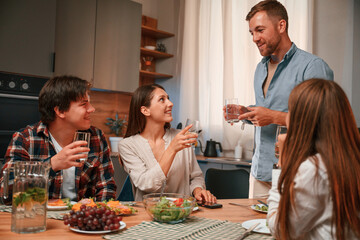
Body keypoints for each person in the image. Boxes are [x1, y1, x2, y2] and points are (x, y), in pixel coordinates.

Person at [236, 0, 334, 198]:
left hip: (295, 175)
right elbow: (267, 110)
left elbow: (322, 122)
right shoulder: (260, 68)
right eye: (252, 33)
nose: (255, 38)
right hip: (259, 175)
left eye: (260, 30)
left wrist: (272, 117)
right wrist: (246, 113)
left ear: (281, 26)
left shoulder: (313, 66)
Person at [267, 79, 360, 240]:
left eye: (290, 110)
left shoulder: (315, 170)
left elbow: (281, 229)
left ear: (303, 120)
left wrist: (281, 164)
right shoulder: (351, 159)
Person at [0, 76, 116, 203]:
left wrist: (97, 212)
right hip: (40, 218)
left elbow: (106, 188)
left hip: (81, 219)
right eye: (84, 104)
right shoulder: (25, 139)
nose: (92, 109)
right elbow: (7, 193)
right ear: (60, 111)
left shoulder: (96, 137)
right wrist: (51, 165)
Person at [119, 84, 216, 202]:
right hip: (147, 215)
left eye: (168, 98)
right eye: (162, 99)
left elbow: (195, 177)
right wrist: (171, 149)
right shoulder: (128, 145)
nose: (170, 103)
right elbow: (146, 184)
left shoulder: (181, 137)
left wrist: (198, 190)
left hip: (182, 213)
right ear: (145, 110)